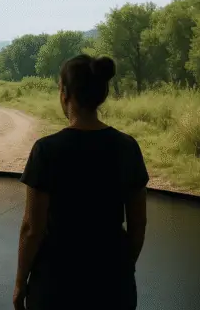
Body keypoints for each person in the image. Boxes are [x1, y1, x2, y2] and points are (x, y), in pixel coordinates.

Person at [12, 55, 149, 310]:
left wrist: (20, 282)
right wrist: (122, 269)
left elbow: (32, 228)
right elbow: (138, 223)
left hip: (56, 282)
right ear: (101, 95)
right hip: (113, 283)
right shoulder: (127, 147)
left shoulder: (46, 150)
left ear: (65, 94)